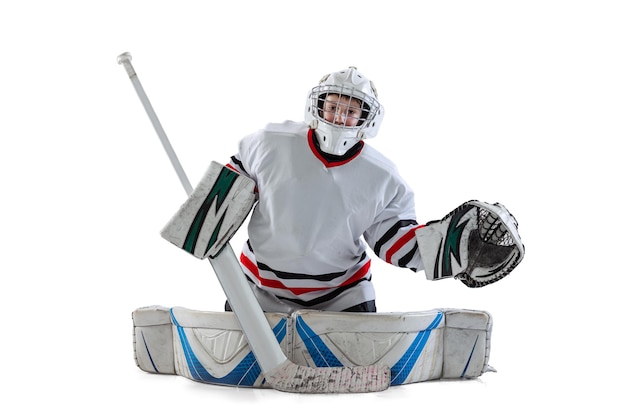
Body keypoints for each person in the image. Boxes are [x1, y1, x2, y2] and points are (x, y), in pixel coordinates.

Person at [223, 67, 423, 314]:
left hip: (342, 295)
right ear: (317, 106)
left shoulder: (384, 177)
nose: (339, 118)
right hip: (259, 286)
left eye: (350, 111)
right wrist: (199, 225)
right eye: (332, 107)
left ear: (366, 117)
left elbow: (396, 241)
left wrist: (451, 250)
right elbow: (223, 199)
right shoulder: (268, 143)